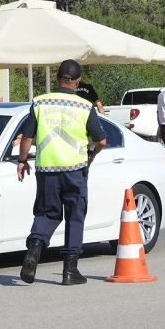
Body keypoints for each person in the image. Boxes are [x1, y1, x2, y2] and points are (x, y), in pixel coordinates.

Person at [16, 59, 107, 286]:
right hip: (75, 170)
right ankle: (70, 270)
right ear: (78, 81)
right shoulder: (85, 106)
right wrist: (90, 157)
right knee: (75, 216)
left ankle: (33, 252)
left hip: (46, 169)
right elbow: (102, 140)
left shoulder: (40, 103)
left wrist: (22, 161)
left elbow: (27, 137)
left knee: (47, 214)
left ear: (57, 79)